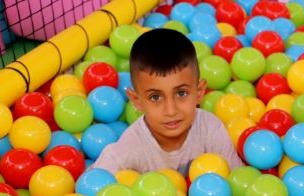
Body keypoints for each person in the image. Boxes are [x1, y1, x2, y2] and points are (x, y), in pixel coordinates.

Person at [91, 28, 243, 175]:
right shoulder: (128, 151)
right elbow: (94, 185)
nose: (171, 110)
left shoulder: (210, 130)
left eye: (181, 93)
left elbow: (237, 179)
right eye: (155, 97)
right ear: (137, 101)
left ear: (199, 92)